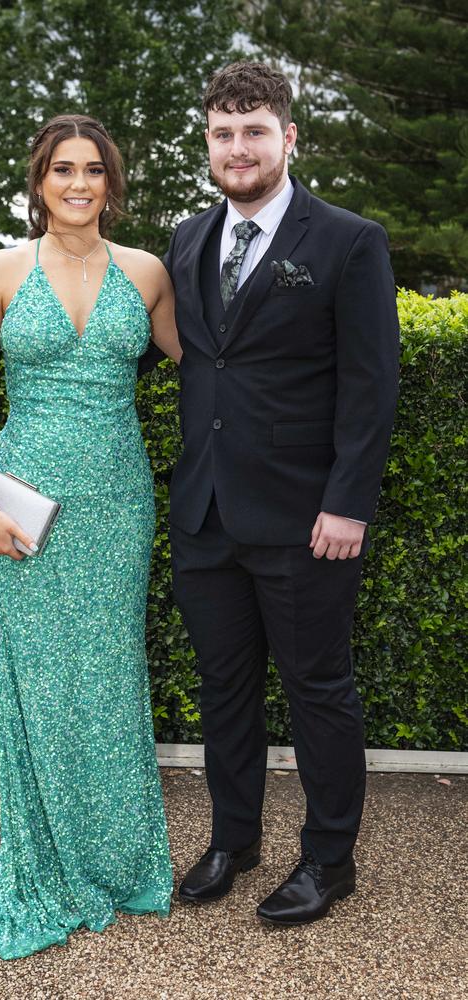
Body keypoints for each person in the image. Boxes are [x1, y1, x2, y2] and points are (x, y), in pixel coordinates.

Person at [140, 61, 399, 925]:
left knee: (318, 687)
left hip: (305, 518)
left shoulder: (348, 240)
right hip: (205, 513)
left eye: (255, 131)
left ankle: (330, 861)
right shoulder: (185, 237)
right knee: (224, 689)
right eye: (222, 132)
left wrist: (349, 501)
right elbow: (177, 350)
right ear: (207, 142)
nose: (237, 148)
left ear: (288, 137)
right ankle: (234, 840)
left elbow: (372, 384)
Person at [0, 114, 180, 958]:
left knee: (110, 676)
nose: (79, 185)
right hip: (25, 506)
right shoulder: (1, 269)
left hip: (118, 502)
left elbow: (214, 367)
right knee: (39, 679)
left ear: (113, 183)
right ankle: (44, 858)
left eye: (94, 171)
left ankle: (116, 859)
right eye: (62, 170)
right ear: (39, 180)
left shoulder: (148, 272)